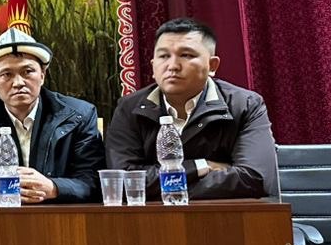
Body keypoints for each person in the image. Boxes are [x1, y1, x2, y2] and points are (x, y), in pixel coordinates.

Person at [105, 17, 278, 199]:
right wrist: (200, 166)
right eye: (163, 56)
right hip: (155, 216)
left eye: (186, 55)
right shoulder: (130, 108)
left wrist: (163, 188)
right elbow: (124, 182)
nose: (173, 66)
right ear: (153, 65)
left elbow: (254, 178)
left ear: (212, 65)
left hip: (224, 215)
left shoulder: (245, 105)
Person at [0, 28, 104, 205]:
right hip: (1, 216)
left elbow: (92, 181)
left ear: (42, 75)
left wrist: (54, 187)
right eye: (6, 74)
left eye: (27, 72)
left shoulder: (79, 115)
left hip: (61, 215)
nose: (18, 83)